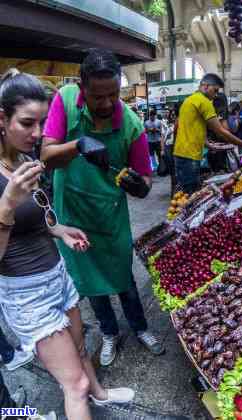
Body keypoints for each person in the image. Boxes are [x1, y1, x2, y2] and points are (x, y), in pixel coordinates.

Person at [0, 70, 133, 420]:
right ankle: (89, 395)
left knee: (79, 344)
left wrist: (60, 230)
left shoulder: (26, 159)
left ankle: (101, 395)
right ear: (1, 118)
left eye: (42, 122)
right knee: (73, 385)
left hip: (56, 275)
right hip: (26, 295)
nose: (38, 133)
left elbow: (39, 218)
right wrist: (7, 204)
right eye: (27, 122)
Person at [41, 49, 164, 368]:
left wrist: (141, 186)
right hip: (72, 214)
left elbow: (146, 178)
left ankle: (140, 327)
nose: (108, 103)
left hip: (109, 216)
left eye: (114, 94)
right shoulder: (66, 101)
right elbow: (46, 155)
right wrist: (78, 145)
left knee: (122, 275)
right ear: (82, 88)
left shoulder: (132, 125)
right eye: (98, 97)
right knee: (91, 279)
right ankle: (109, 331)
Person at [173, 73, 242, 194]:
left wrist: (208, 145)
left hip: (180, 153)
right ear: (205, 86)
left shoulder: (189, 100)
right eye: (215, 90)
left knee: (185, 193)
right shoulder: (204, 102)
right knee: (191, 195)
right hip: (190, 156)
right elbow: (220, 131)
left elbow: (192, 128)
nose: (215, 95)